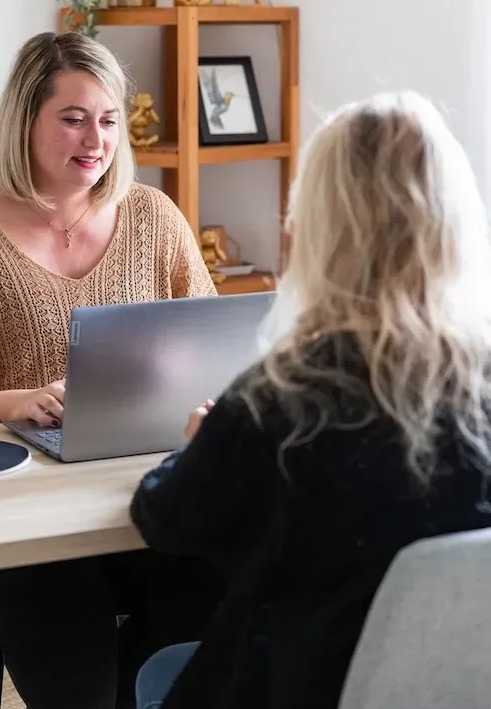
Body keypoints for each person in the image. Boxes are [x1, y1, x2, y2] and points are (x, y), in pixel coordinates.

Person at [0, 31, 223, 709]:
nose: (95, 139)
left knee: (215, 594)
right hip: (4, 522)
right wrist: (17, 402)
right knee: (75, 654)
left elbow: (211, 353)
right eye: (73, 119)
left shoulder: (155, 220)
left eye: (107, 120)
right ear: (25, 121)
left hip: (132, 497)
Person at [130, 91, 491, 709]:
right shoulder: (477, 389)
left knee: (163, 664)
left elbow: (164, 520)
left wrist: (189, 449)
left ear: (320, 231)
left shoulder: (283, 399)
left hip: (292, 686)